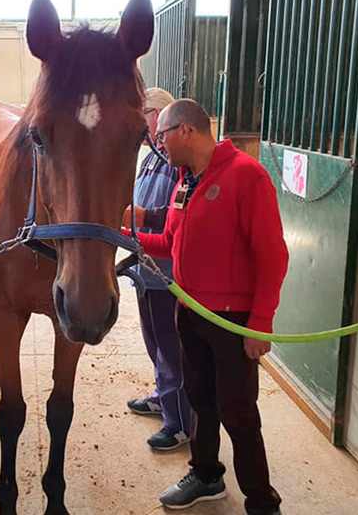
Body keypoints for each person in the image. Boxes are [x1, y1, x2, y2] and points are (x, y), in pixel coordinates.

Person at [128, 99, 286, 515]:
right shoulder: (186, 182)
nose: (158, 144)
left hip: (231, 319)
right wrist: (127, 236)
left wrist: (260, 324)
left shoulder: (246, 176)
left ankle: (262, 501)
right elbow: (170, 245)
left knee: (238, 412)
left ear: (185, 131)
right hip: (189, 310)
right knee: (199, 399)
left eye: (161, 135)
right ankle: (206, 474)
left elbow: (273, 256)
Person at [122, 87, 192, 452]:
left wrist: (140, 216)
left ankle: (179, 422)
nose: (143, 120)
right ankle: (162, 397)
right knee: (154, 343)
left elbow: (185, 216)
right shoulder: (150, 158)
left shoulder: (180, 162)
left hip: (168, 272)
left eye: (145, 112)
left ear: (163, 116)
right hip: (145, 266)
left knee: (171, 346)